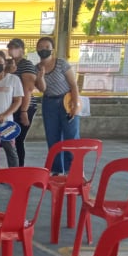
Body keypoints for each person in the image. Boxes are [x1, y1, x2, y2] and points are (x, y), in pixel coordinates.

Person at [35, 36, 81, 175]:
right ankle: (56, 169)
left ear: (52, 49)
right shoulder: (36, 68)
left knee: (71, 135)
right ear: (37, 49)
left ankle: (74, 169)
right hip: (49, 103)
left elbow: (73, 85)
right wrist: (41, 76)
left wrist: (74, 104)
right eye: (41, 47)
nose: (44, 50)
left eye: (47, 47)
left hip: (66, 100)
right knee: (52, 137)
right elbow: (42, 89)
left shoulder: (61, 63)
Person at [7, 38, 38, 167]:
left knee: (18, 139)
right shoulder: (9, 65)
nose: (13, 50)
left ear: (22, 50)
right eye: (10, 47)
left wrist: (24, 111)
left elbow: (28, 89)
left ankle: (19, 169)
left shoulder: (27, 64)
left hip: (25, 106)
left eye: (16, 47)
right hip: (12, 106)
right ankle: (13, 168)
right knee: (10, 140)